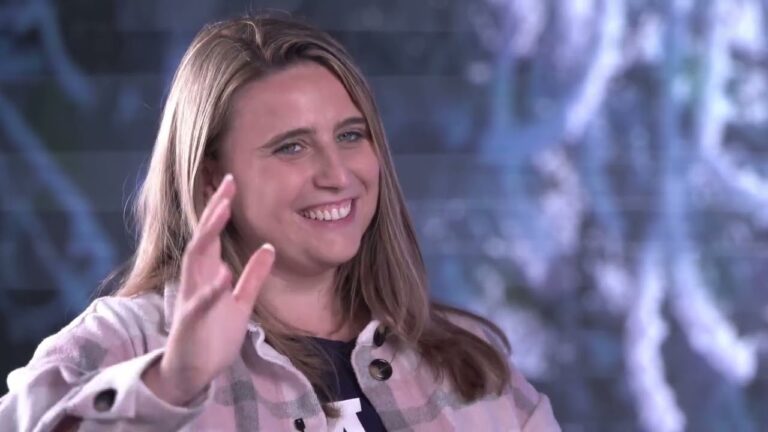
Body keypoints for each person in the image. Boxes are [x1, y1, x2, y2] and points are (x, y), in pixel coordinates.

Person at [0, 13, 560, 432]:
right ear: (209, 179)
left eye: (350, 135)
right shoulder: (126, 341)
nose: (337, 175)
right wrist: (173, 383)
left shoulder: (467, 359)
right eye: (291, 147)